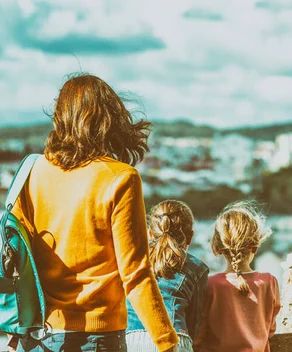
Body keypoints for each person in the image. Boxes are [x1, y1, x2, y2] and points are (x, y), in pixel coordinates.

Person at [11, 73, 179, 352]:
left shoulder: (33, 173)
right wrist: (166, 341)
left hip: (42, 336)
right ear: (107, 118)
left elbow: (20, 256)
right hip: (99, 337)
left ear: (60, 118)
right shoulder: (120, 178)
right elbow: (136, 274)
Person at [194, 201, 281, 352]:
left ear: (218, 248)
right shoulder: (269, 282)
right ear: (255, 246)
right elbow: (271, 330)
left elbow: (198, 335)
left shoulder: (210, 285)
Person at [126, 200, 209, 352]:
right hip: (174, 338)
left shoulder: (133, 259)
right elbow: (194, 321)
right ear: (190, 237)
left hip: (132, 337)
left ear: (150, 234)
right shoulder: (197, 267)